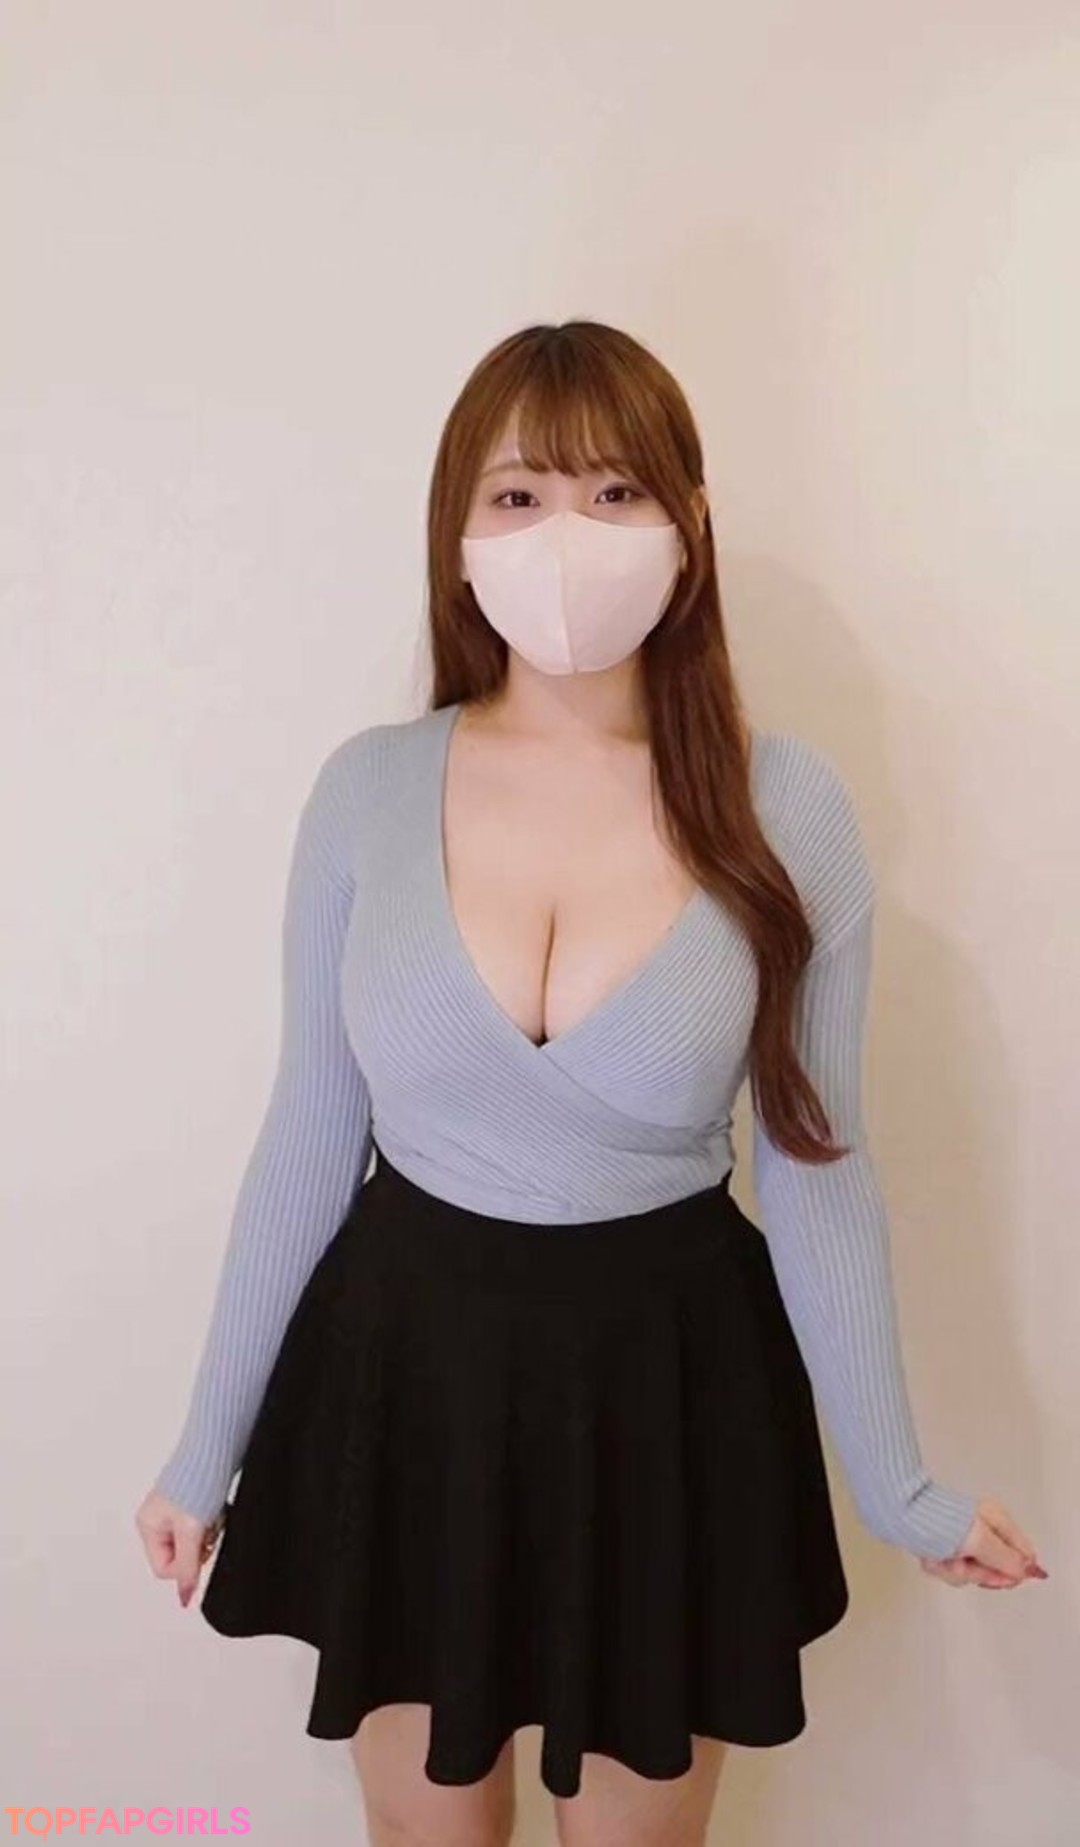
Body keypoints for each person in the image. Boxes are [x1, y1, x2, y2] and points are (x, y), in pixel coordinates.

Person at [135, 319, 1046, 1847]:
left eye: (617, 493)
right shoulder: (368, 791)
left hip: (669, 1391)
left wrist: (899, 1485)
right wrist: (201, 1448)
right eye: (519, 496)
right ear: (458, 534)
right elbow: (310, 1132)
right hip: (405, 1377)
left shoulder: (785, 806)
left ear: (690, 525)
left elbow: (818, 1160)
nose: (570, 535)